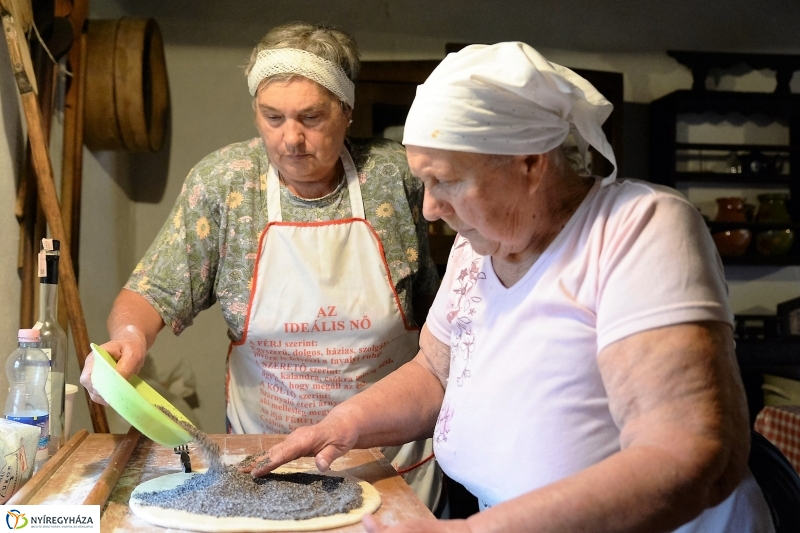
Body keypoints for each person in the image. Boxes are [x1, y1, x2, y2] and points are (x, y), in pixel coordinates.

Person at [239, 42, 775, 532]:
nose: (430, 207)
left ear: (529, 163)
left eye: (446, 180)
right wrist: (345, 423)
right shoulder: (481, 244)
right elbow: (437, 373)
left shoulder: (638, 229)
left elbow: (689, 457)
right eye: (425, 181)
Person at [79, 21, 443, 511]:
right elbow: (152, 289)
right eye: (272, 117)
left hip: (388, 456)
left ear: (347, 111)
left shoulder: (399, 179)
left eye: (311, 118)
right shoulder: (225, 184)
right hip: (268, 459)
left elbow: (451, 315)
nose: (291, 138)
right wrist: (131, 335)